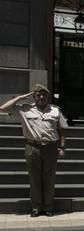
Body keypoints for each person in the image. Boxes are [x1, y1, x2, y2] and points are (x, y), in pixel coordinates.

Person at [0, 83, 67, 217]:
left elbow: (62, 130)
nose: (41, 97)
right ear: (34, 97)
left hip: (51, 147)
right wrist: (21, 97)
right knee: (34, 179)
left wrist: (62, 147)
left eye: (44, 95)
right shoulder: (25, 109)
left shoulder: (55, 110)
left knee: (49, 179)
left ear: (48, 96)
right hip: (33, 147)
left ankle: (48, 207)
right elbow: (2, 108)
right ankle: (36, 207)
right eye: (38, 95)